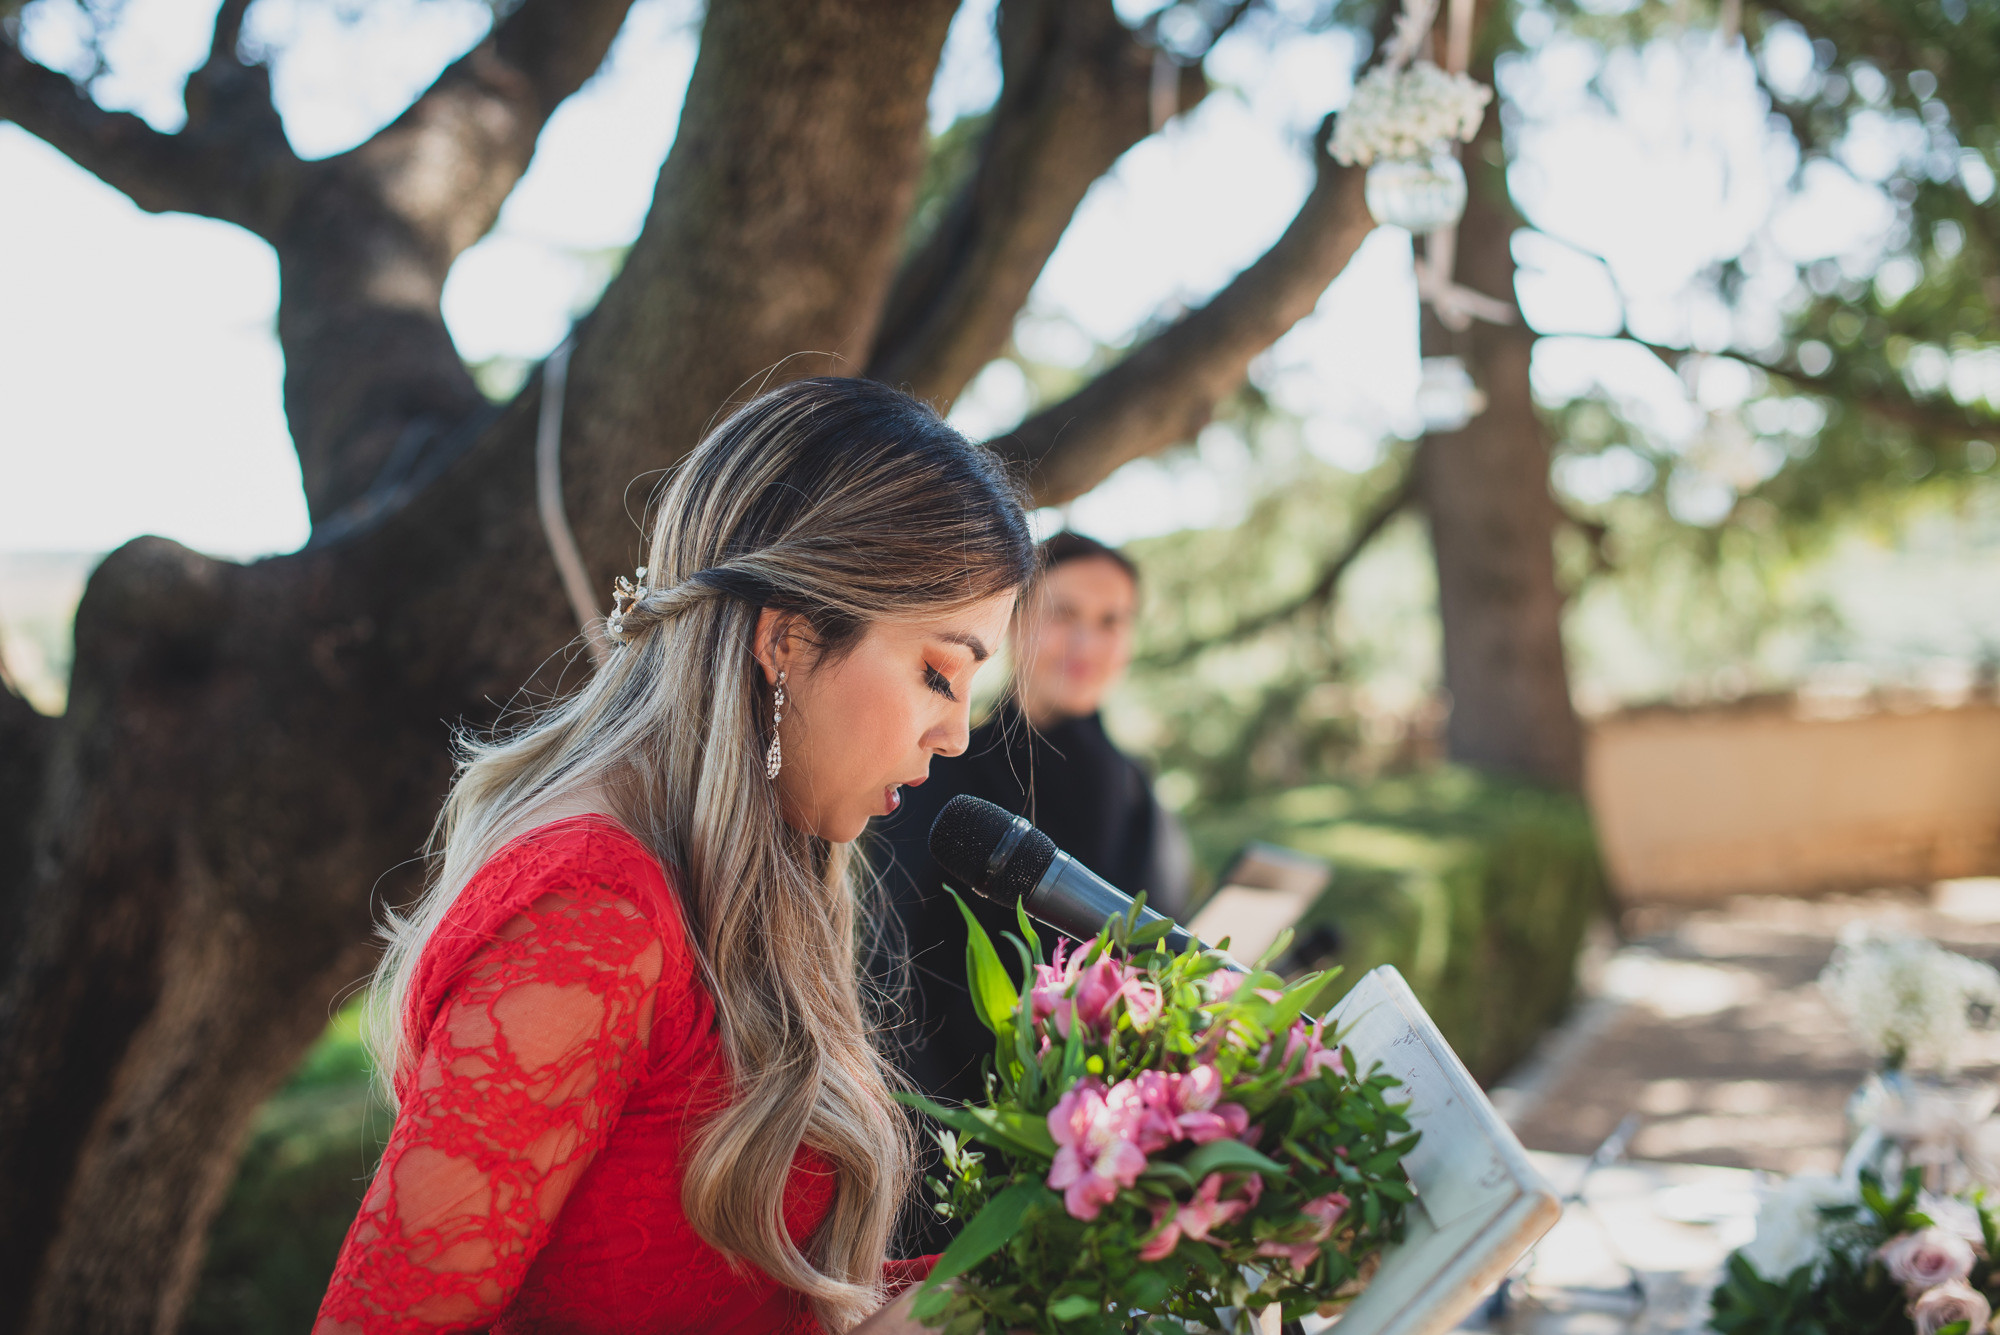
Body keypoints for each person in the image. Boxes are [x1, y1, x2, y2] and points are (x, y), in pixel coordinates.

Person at [313, 377, 1035, 1335]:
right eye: (938, 673)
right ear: (788, 636)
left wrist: (1054, 1250)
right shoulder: (591, 908)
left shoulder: (742, 875)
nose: (954, 735)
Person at [872, 531, 1191, 1113]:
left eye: (1110, 621)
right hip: (957, 1118)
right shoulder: (940, 767)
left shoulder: (1139, 792)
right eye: (1063, 613)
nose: (1084, 642)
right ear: (1015, 624)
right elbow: (890, 961)